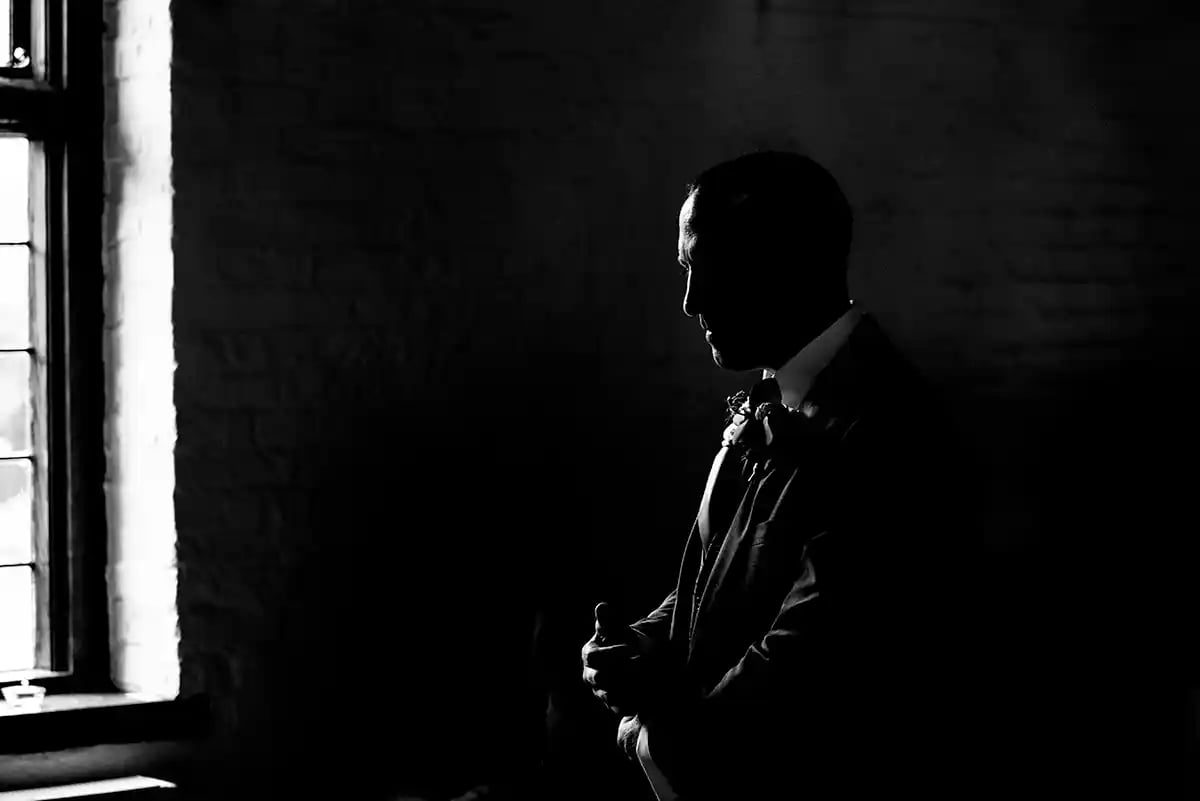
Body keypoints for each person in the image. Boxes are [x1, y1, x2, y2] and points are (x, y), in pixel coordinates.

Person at [581, 151, 976, 799]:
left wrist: (653, 733)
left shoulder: (882, 427)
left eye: (700, 266)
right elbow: (728, 573)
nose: (688, 300)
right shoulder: (780, 391)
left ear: (775, 261)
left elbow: (812, 662)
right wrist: (642, 645)